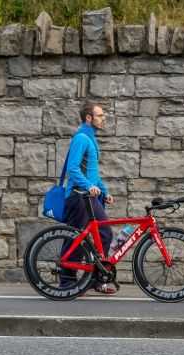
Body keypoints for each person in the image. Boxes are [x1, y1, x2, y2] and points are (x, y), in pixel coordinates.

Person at [59, 102, 117, 294]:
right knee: (75, 239)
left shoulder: (91, 139)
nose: (104, 118)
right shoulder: (82, 138)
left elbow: (92, 173)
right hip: (78, 197)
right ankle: (67, 283)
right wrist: (88, 186)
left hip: (89, 196)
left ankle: (96, 279)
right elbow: (73, 169)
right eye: (100, 115)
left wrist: (103, 190)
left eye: (103, 115)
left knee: (104, 235)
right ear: (89, 118)